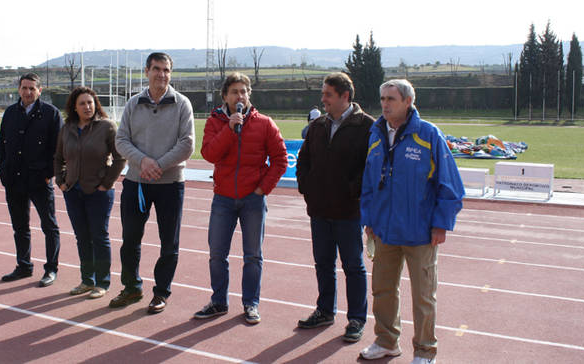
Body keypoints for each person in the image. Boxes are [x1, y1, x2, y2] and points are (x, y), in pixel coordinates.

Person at [359, 79, 464, 364]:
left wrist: (441, 224)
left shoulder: (428, 135)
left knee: (423, 297)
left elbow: (450, 186)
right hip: (384, 231)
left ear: (408, 101)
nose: (384, 104)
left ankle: (425, 351)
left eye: (391, 98)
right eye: (382, 98)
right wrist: (369, 220)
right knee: (382, 291)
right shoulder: (376, 134)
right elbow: (368, 184)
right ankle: (386, 342)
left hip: (420, 234)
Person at [194, 72, 287, 324]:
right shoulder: (215, 122)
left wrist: (262, 189)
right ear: (225, 96)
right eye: (235, 91)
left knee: (253, 255)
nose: (240, 96)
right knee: (216, 254)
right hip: (223, 198)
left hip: (253, 200)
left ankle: (251, 304)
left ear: (249, 96)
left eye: (244, 91)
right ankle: (218, 302)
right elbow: (209, 154)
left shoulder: (265, 123)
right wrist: (228, 128)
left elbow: (280, 160)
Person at [112, 52, 195, 314]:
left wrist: (158, 165)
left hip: (170, 184)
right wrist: (143, 162)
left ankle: (161, 293)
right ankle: (131, 287)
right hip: (137, 182)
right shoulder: (133, 104)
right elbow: (121, 140)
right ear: (147, 71)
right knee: (130, 240)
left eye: (166, 70)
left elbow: (187, 144)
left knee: (169, 243)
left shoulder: (182, 104)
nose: (161, 74)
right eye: (157, 69)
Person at [295, 72, 374, 342]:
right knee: (324, 263)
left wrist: (353, 192)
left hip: (348, 211)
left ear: (345, 97)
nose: (323, 99)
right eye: (323, 94)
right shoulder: (318, 126)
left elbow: (370, 168)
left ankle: (356, 319)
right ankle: (325, 310)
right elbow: (303, 161)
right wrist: (308, 188)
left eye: (328, 94)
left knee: (353, 266)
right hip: (319, 210)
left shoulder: (366, 127)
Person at [55, 86, 126, 299]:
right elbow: (58, 157)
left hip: (98, 192)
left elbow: (120, 158)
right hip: (73, 191)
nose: (87, 107)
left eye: (90, 102)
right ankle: (87, 280)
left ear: (95, 104)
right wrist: (61, 181)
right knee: (82, 237)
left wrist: (106, 183)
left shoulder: (106, 127)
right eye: (82, 103)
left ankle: (102, 282)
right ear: (74, 108)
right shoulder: (67, 128)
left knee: (99, 236)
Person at [0, 73, 63, 287]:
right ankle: (24, 266)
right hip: (14, 180)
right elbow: (3, 147)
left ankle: (51, 269)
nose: (28, 92)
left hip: (39, 180)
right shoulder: (10, 113)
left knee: (49, 226)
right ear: (19, 89)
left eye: (32, 88)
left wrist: (47, 174)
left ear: (40, 90)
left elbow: (59, 150)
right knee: (20, 227)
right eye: (24, 88)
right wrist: (3, 172)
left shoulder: (50, 114)